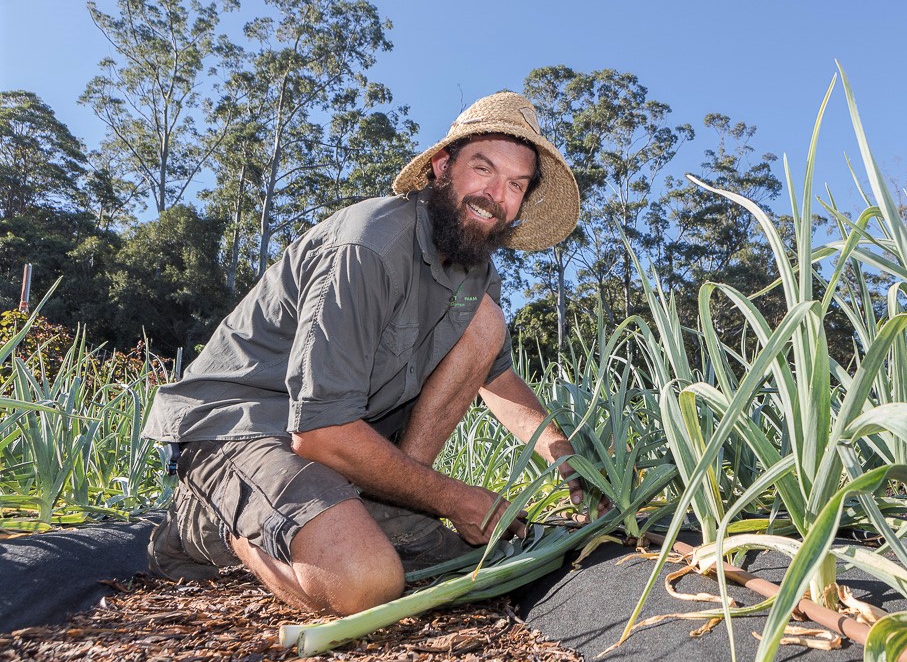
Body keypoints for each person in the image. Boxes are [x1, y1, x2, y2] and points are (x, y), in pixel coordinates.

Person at [143, 91, 596, 617]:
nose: (496, 194)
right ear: (442, 166)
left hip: (328, 441)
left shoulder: (475, 271)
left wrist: (569, 461)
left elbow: (498, 381)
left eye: (515, 184)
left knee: (485, 325)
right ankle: (219, 527)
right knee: (366, 583)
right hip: (239, 428)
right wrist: (454, 498)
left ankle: (373, 506)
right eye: (483, 168)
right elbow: (319, 431)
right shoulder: (369, 248)